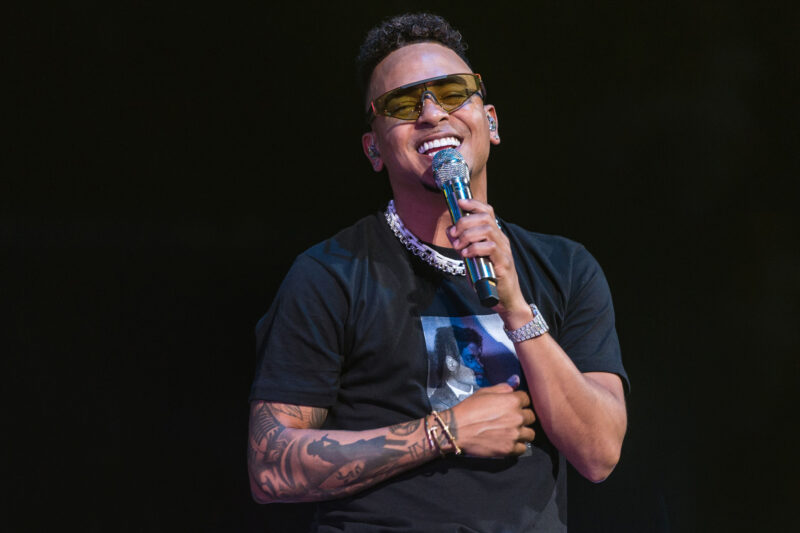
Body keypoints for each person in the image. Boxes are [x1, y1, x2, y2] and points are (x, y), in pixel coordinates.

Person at [248, 12, 629, 532]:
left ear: (491, 122)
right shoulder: (329, 274)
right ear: (374, 149)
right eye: (403, 104)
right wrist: (444, 432)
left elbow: (599, 453)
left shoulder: (565, 267)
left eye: (451, 93)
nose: (432, 113)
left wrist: (517, 308)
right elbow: (270, 466)